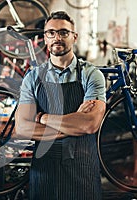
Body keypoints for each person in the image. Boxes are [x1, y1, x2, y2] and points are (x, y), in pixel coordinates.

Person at [15, 11, 106, 200]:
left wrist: (43, 118)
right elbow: (23, 127)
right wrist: (72, 125)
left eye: (64, 32)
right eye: (51, 33)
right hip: (44, 173)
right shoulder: (33, 78)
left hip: (82, 171)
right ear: (45, 38)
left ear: (74, 37)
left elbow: (89, 124)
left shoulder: (91, 75)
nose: (57, 38)